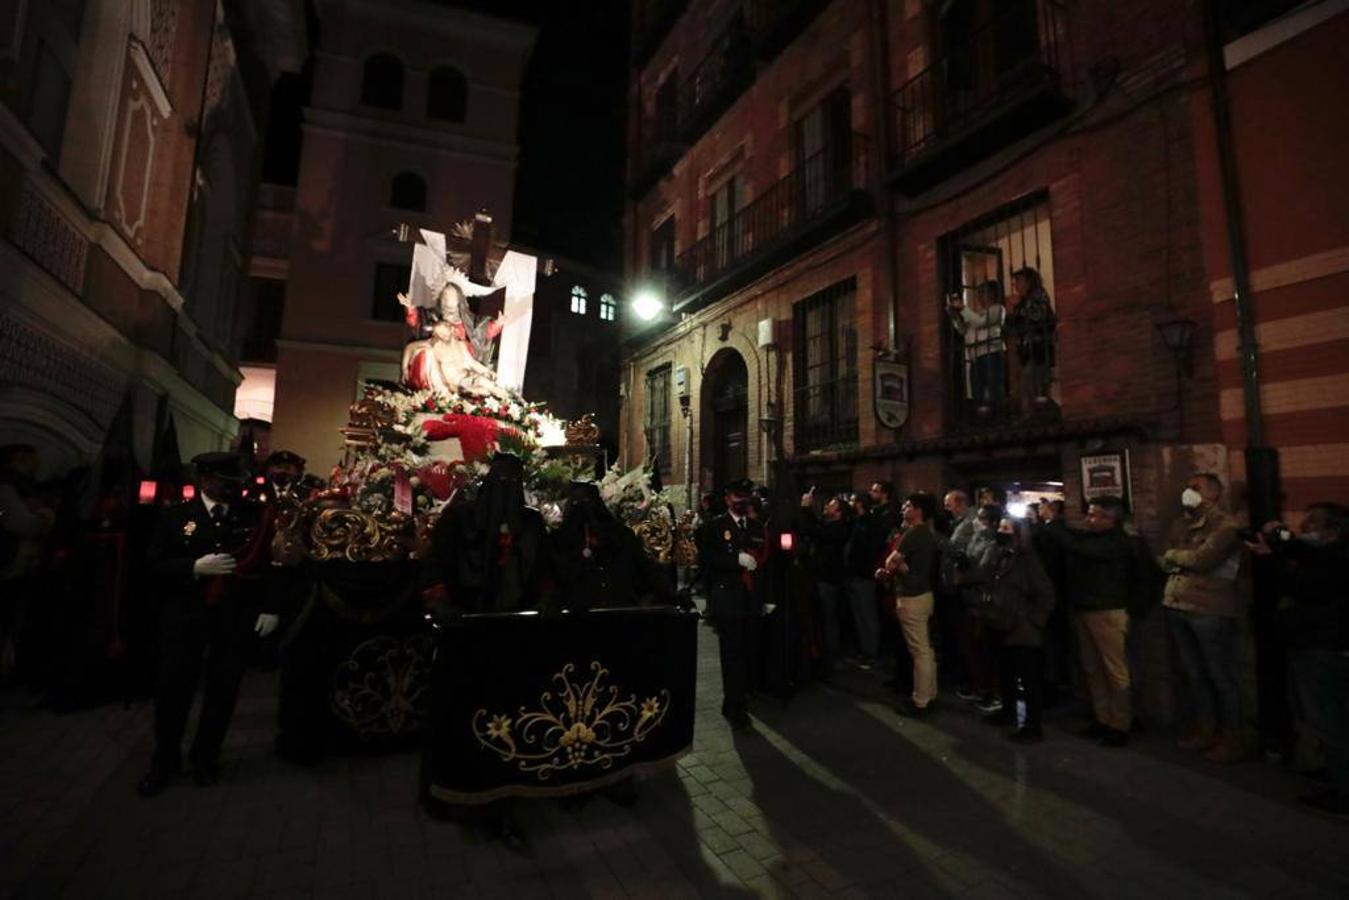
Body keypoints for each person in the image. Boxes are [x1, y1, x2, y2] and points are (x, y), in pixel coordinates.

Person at [137, 453, 280, 797]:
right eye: (223, 482)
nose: (230, 490)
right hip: (185, 616)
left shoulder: (252, 516)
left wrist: (270, 607)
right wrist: (193, 568)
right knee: (174, 692)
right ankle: (165, 761)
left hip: (232, 617)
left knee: (222, 691)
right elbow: (152, 565)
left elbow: (268, 564)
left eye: (234, 483)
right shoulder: (176, 516)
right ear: (205, 479)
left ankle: (206, 758)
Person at [1248, 503, 1349, 816]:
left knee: (1330, 721)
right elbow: (1301, 551)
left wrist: (1271, 558)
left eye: (1313, 524)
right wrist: (1280, 542)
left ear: (1334, 530)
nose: (1306, 528)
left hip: (1322, 646)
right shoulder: (1325, 555)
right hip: (1315, 644)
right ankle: (1335, 774)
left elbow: (1304, 587)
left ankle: (1343, 792)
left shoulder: (1336, 559)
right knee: (1324, 718)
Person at [1161, 473, 1247, 763]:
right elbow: (1163, 558)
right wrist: (1178, 555)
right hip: (1177, 603)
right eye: (1188, 486)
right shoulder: (1180, 523)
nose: (1188, 492)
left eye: (1195, 488)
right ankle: (1206, 729)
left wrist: (1176, 555)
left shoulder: (1227, 526)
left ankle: (1233, 737)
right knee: (1194, 674)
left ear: (1214, 494)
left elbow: (1203, 560)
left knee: (1220, 676)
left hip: (1210, 608)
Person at [1039, 497, 1137, 746]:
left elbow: (1076, 546)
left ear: (1109, 518)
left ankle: (1121, 724)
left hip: (1107, 611)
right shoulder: (1095, 537)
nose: (1088, 519)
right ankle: (1103, 718)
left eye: (1094, 515)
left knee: (1115, 671)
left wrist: (1053, 522)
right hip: (1086, 609)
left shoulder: (1117, 542)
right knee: (1093, 670)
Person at [967, 518, 1057, 742]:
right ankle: (1008, 712)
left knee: (1028, 677)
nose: (1000, 532)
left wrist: (1033, 621)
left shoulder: (1027, 560)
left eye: (1006, 529)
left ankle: (1032, 725)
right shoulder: (998, 555)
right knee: (1004, 672)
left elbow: (1045, 594)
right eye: (999, 528)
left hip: (1021, 628)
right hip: (999, 622)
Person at [701, 479, 766, 730]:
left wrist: (766, 598)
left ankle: (740, 698)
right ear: (728, 498)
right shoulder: (715, 526)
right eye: (738, 497)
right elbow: (707, 560)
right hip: (728, 598)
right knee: (732, 655)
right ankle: (735, 706)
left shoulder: (757, 527)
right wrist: (734, 559)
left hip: (751, 599)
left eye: (746, 496)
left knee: (749, 651)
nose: (743, 501)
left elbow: (764, 563)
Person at [877, 492, 940, 717]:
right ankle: (930, 694)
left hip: (911, 595)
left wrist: (896, 568)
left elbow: (890, 561)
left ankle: (920, 700)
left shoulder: (914, 534)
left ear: (918, 510)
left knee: (919, 651)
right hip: (924, 594)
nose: (904, 508)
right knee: (926, 649)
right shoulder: (929, 534)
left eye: (908, 505)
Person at [0, 444, 55, 681]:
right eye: (31, 460)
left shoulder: (22, 489)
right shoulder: (8, 489)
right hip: (9, 564)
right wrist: (46, 517)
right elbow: (24, 523)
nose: (36, 465)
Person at [799, 490, 851, 675]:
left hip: (828, 578)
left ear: (839, 513)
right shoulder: (831, 525)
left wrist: (805, 509)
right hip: (822, 576)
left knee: (829, 618)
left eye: (832, 505)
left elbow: (813, 530)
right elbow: (817, 526)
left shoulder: (838, 528)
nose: (827, 506)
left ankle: (832, 654)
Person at [947, 280, 1008, 419]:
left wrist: (963, 308)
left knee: (993, 386)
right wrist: (955, 317)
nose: (980, 297)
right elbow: (964, 331)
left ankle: (997, 415)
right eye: (979, 293)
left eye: (983, 293)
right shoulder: (977, 313)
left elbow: (979, 323)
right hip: (977, 355)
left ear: (993, 293)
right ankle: (981, 415)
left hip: (991, 352)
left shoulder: (998, 309)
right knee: (978, 388)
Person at [843, 492, 888, 668]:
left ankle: (872, 652)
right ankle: (864, 650)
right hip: (853, 574)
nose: (850, 503)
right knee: (859, 616)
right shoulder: (855, 522)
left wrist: (864, 566)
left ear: (860, 503)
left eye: (853, 500)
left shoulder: (871, 523)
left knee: (868, 615)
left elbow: (870, 548)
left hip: (863, 575)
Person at [1006, 266, 1057, 410]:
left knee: (1036, 384)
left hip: (1039, 347)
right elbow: (1013, 324)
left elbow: (1038, 316)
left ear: (1028, 281)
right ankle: (1032, 414)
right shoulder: (1021, 301)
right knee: (1028, 384)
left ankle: (1038, 415)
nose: (1015, 284)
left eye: (1018, 280)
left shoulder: (1038, 294)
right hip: (1026, 349)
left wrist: (1018, 310)